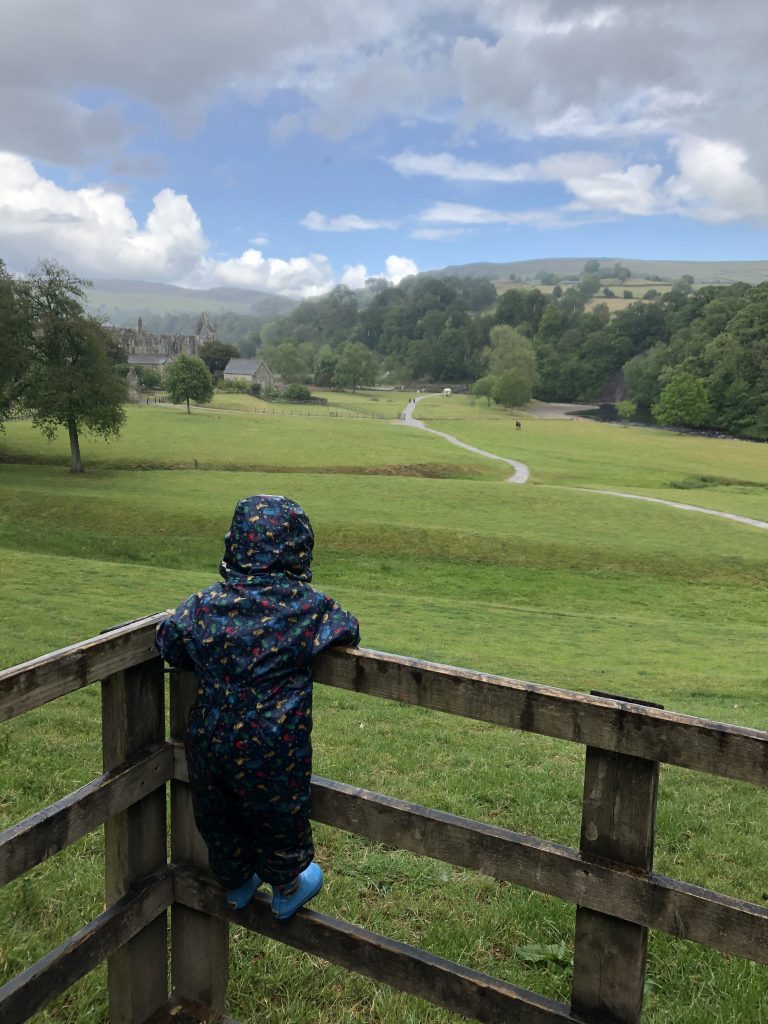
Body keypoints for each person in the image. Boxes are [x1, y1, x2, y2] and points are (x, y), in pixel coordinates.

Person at [155, 495, 360, 919]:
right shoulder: (307, 609)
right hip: (273, 743)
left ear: (235, 545)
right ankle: (287, 885)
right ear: (298, 548)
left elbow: (170, 643)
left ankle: (235, 883)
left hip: (209, 737)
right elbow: (348, 629)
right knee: (278, 813)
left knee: (216, 811)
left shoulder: (204, 604)